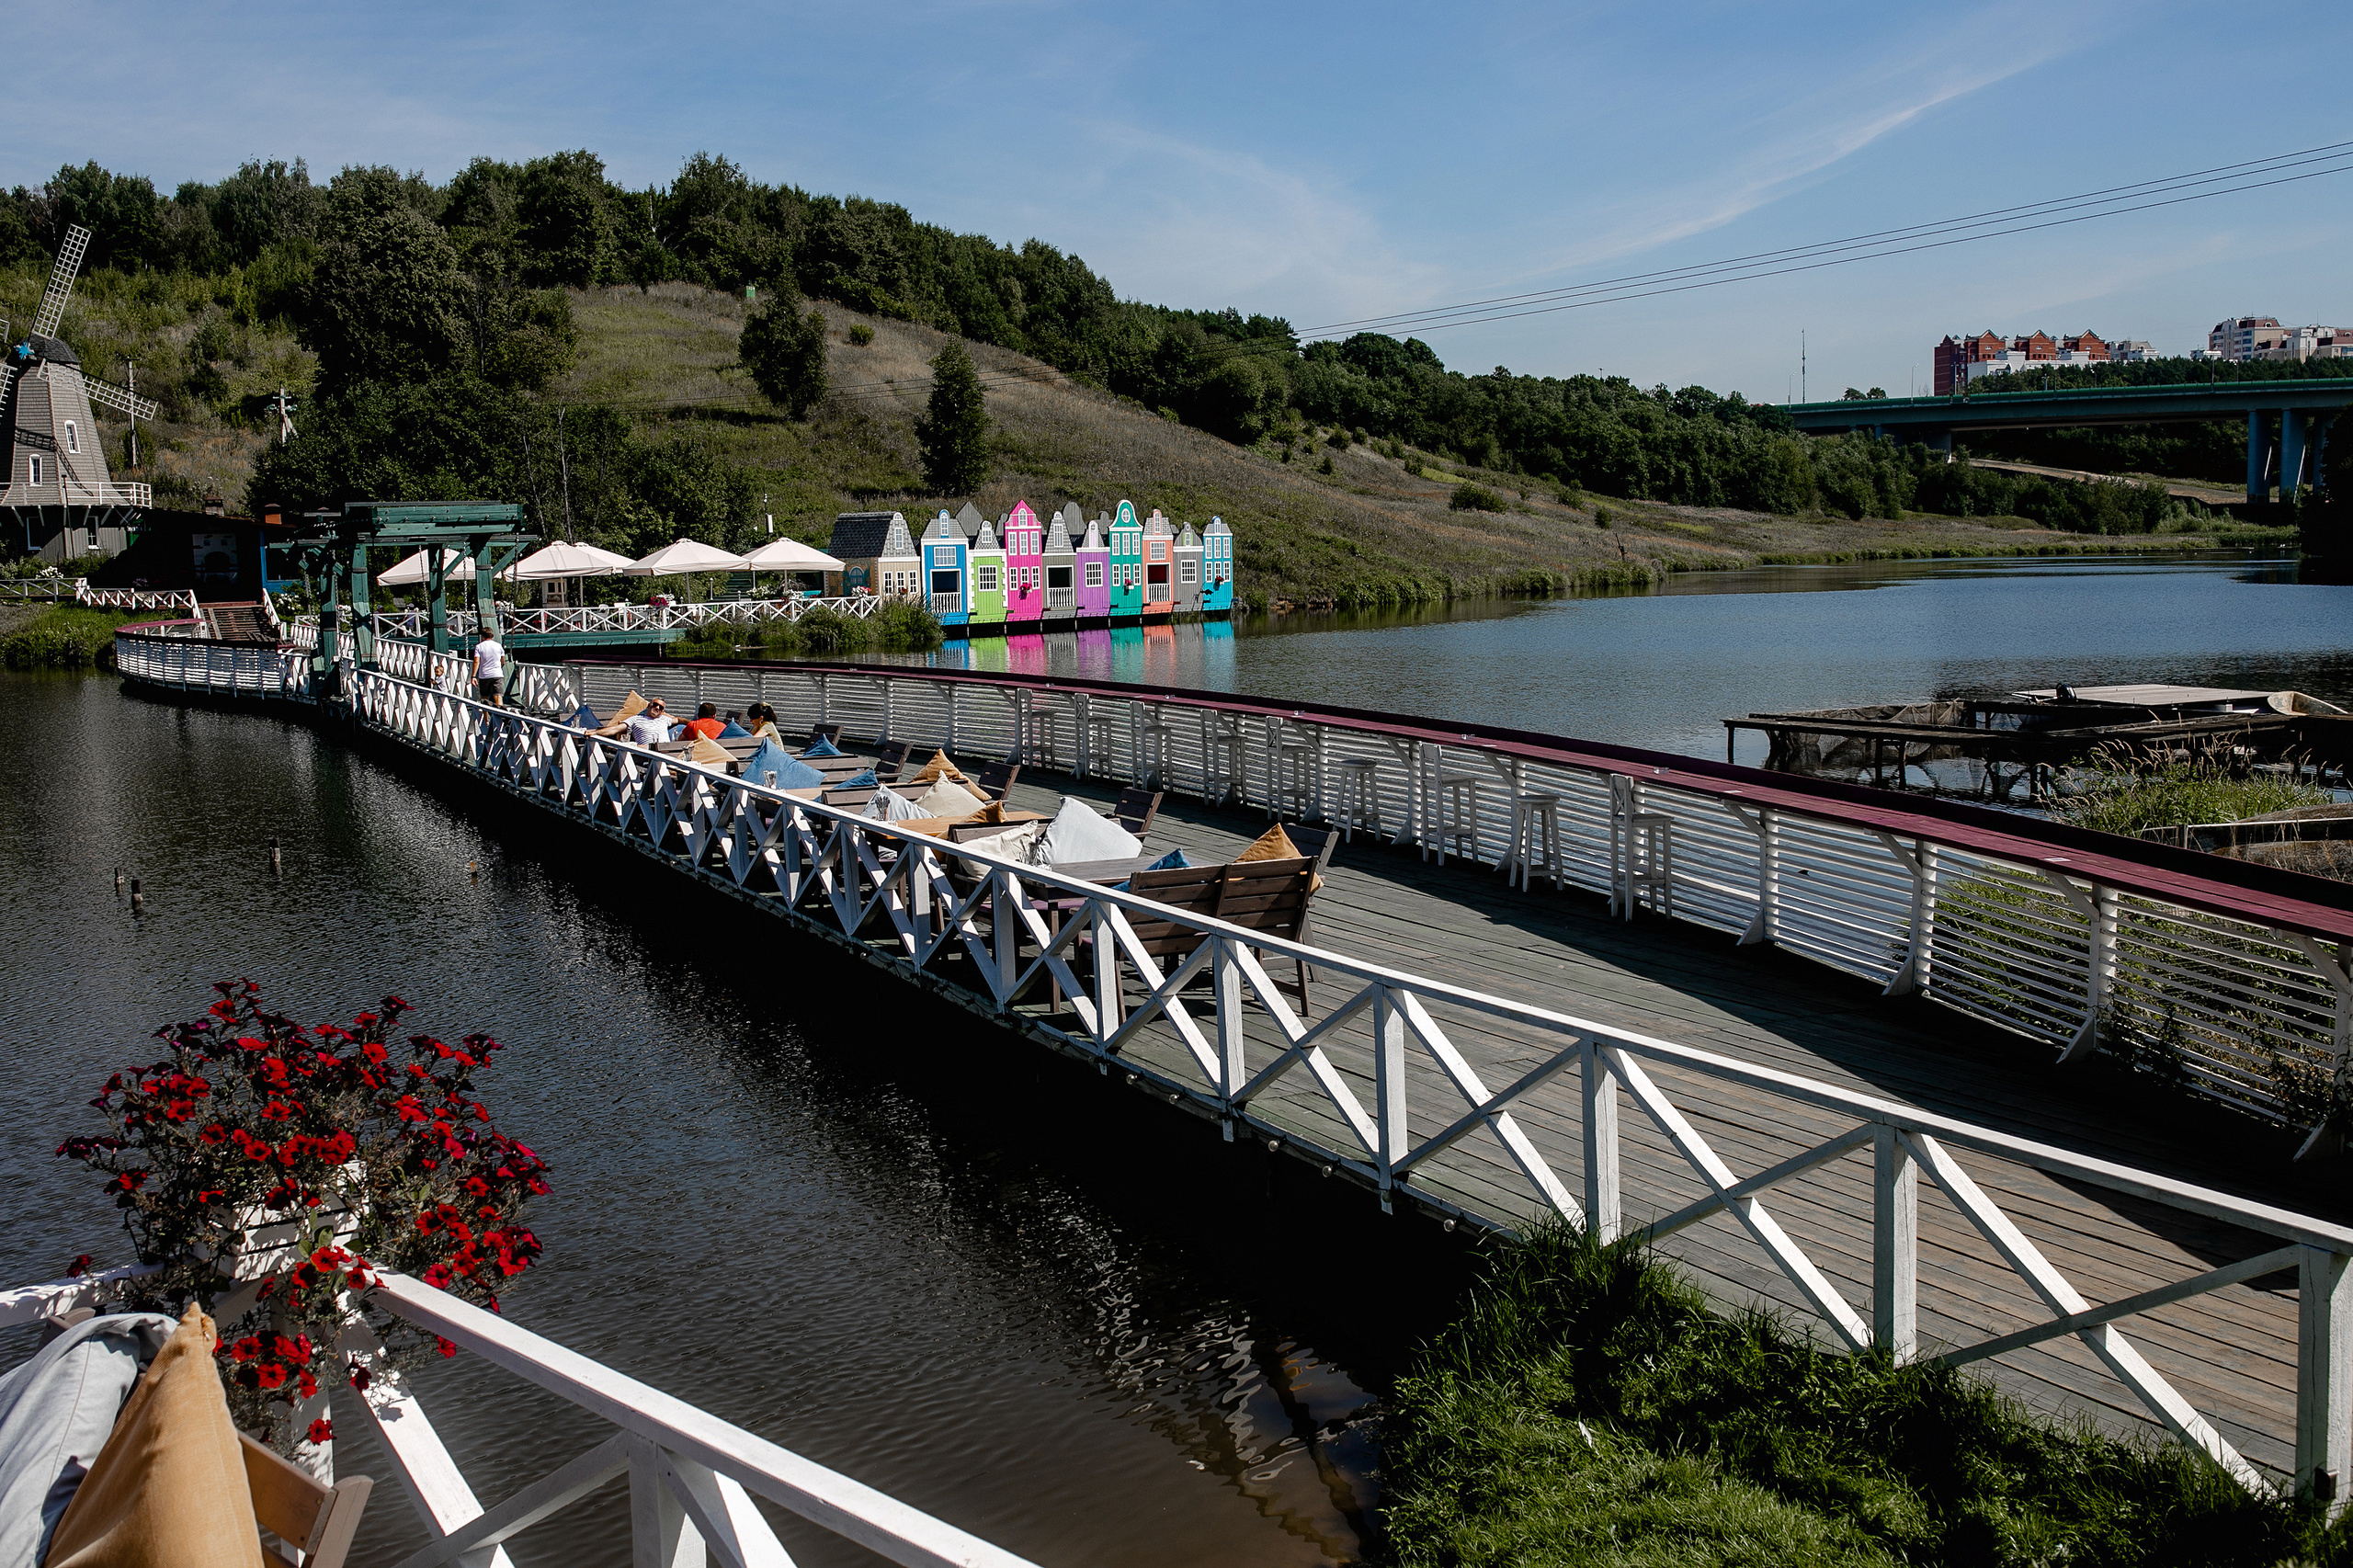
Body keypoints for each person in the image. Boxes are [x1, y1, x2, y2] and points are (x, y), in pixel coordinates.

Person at [472, 630, 506, 707]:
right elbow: (503, 661)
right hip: (497, 674)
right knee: (498, 696)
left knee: (485, 698)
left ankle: (486, 718)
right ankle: (500, 716)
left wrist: (473, 676)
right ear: (492, 636)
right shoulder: (498, 645)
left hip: (484, 675)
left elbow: (476, 662)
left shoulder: (479, 646)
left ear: (482, 636)